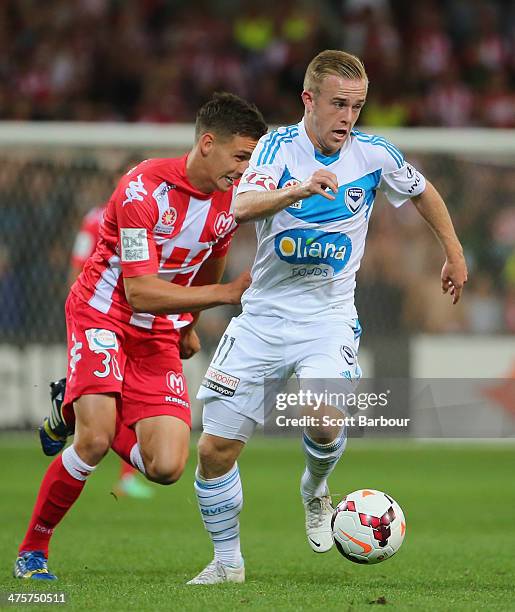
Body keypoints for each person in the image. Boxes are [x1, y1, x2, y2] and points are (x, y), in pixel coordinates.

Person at [188, 50, 468, 585]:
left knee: (321, 414)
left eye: (357, 106)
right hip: (264, 318)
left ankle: (316, 488)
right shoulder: (274, 147)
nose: (347, 116)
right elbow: (241, 207)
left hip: (329, 318)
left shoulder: (374, 155)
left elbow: (423, 190)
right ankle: (227, 564)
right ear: (308, 100)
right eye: (338, 104)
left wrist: (453, 253)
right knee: (214, 449)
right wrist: (297, 188)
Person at [14, 92, 268, 580]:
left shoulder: (228, 202)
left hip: (158, 334)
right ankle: (33, 552)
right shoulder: (142, 189)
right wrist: (224, 294)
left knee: (167, 467)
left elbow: (211, 256)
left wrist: (189, 326)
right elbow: (141, 292)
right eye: (240, 157)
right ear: (207, 143)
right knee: (93, 441)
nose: (244, 170)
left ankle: (74, 400)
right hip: (103, 314)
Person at [41, 199, 154, 499]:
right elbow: (78, 265)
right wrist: (86, 315)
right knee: (112, 398)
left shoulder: (155, 215)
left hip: (137, 315)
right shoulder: (95, 219)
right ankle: (67, 408)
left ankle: (125, 476)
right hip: (100, 315)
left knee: (126, 397)